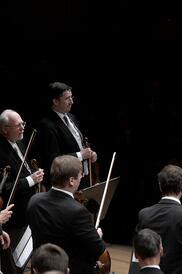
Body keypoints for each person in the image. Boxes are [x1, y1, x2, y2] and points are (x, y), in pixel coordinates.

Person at [26, 155, 106, 274]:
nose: (82, 177)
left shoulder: (34, 201)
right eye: (80, 174)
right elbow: (98, 249)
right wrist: (97, 234)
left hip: (41, 268)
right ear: (71, 181)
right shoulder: (78, 211)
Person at [0, 109, 45, 274]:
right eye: (18, 125)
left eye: (23, 124)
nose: (23, 128)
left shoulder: (19, 142)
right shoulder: (1, 150)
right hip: (15, 217)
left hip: (28, 211)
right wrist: (31, 180)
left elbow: (24, 169)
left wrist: (34, 176)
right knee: (13, 263)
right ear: (5, 129)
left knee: (26, 258)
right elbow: (4, 188)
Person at [34, 81, 97, 190]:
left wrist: (90, 154)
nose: (71, 102)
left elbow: (79, 144)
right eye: (67, 99)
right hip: (66, 182)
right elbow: (54, 159)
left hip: (81, 176)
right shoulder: (47, 125)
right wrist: (81, 155)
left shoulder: (71, 117)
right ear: (55, 101)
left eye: (72, 97)